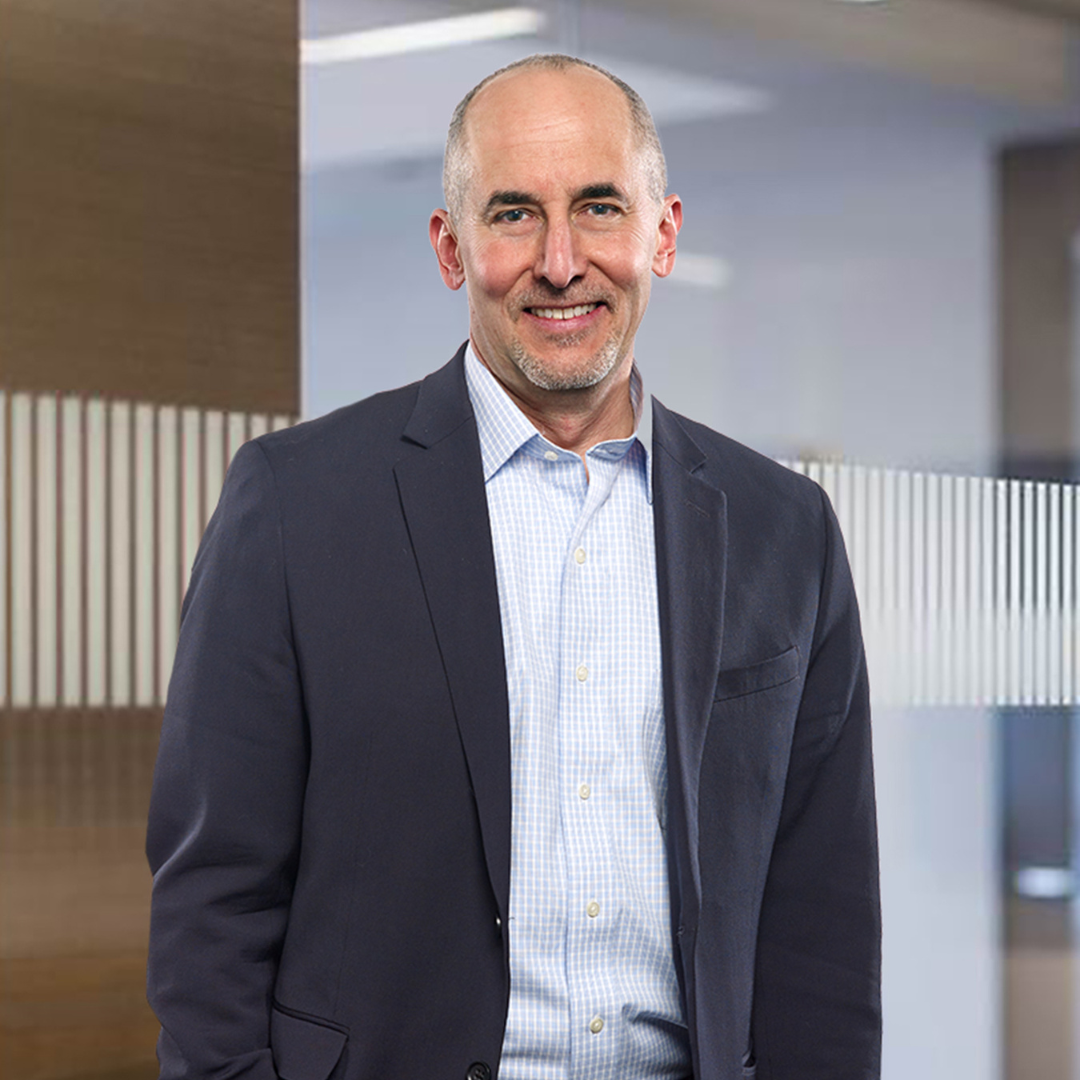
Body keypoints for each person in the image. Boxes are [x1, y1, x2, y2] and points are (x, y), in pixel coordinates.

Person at [146, 54, 880, 1080]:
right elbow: (211, 902)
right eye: (512, 215)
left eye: (597, 207)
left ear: (661, 233)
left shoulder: (782, 529)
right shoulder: (297, 505)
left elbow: (823, 921)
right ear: (452, 248)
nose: (562, 260)